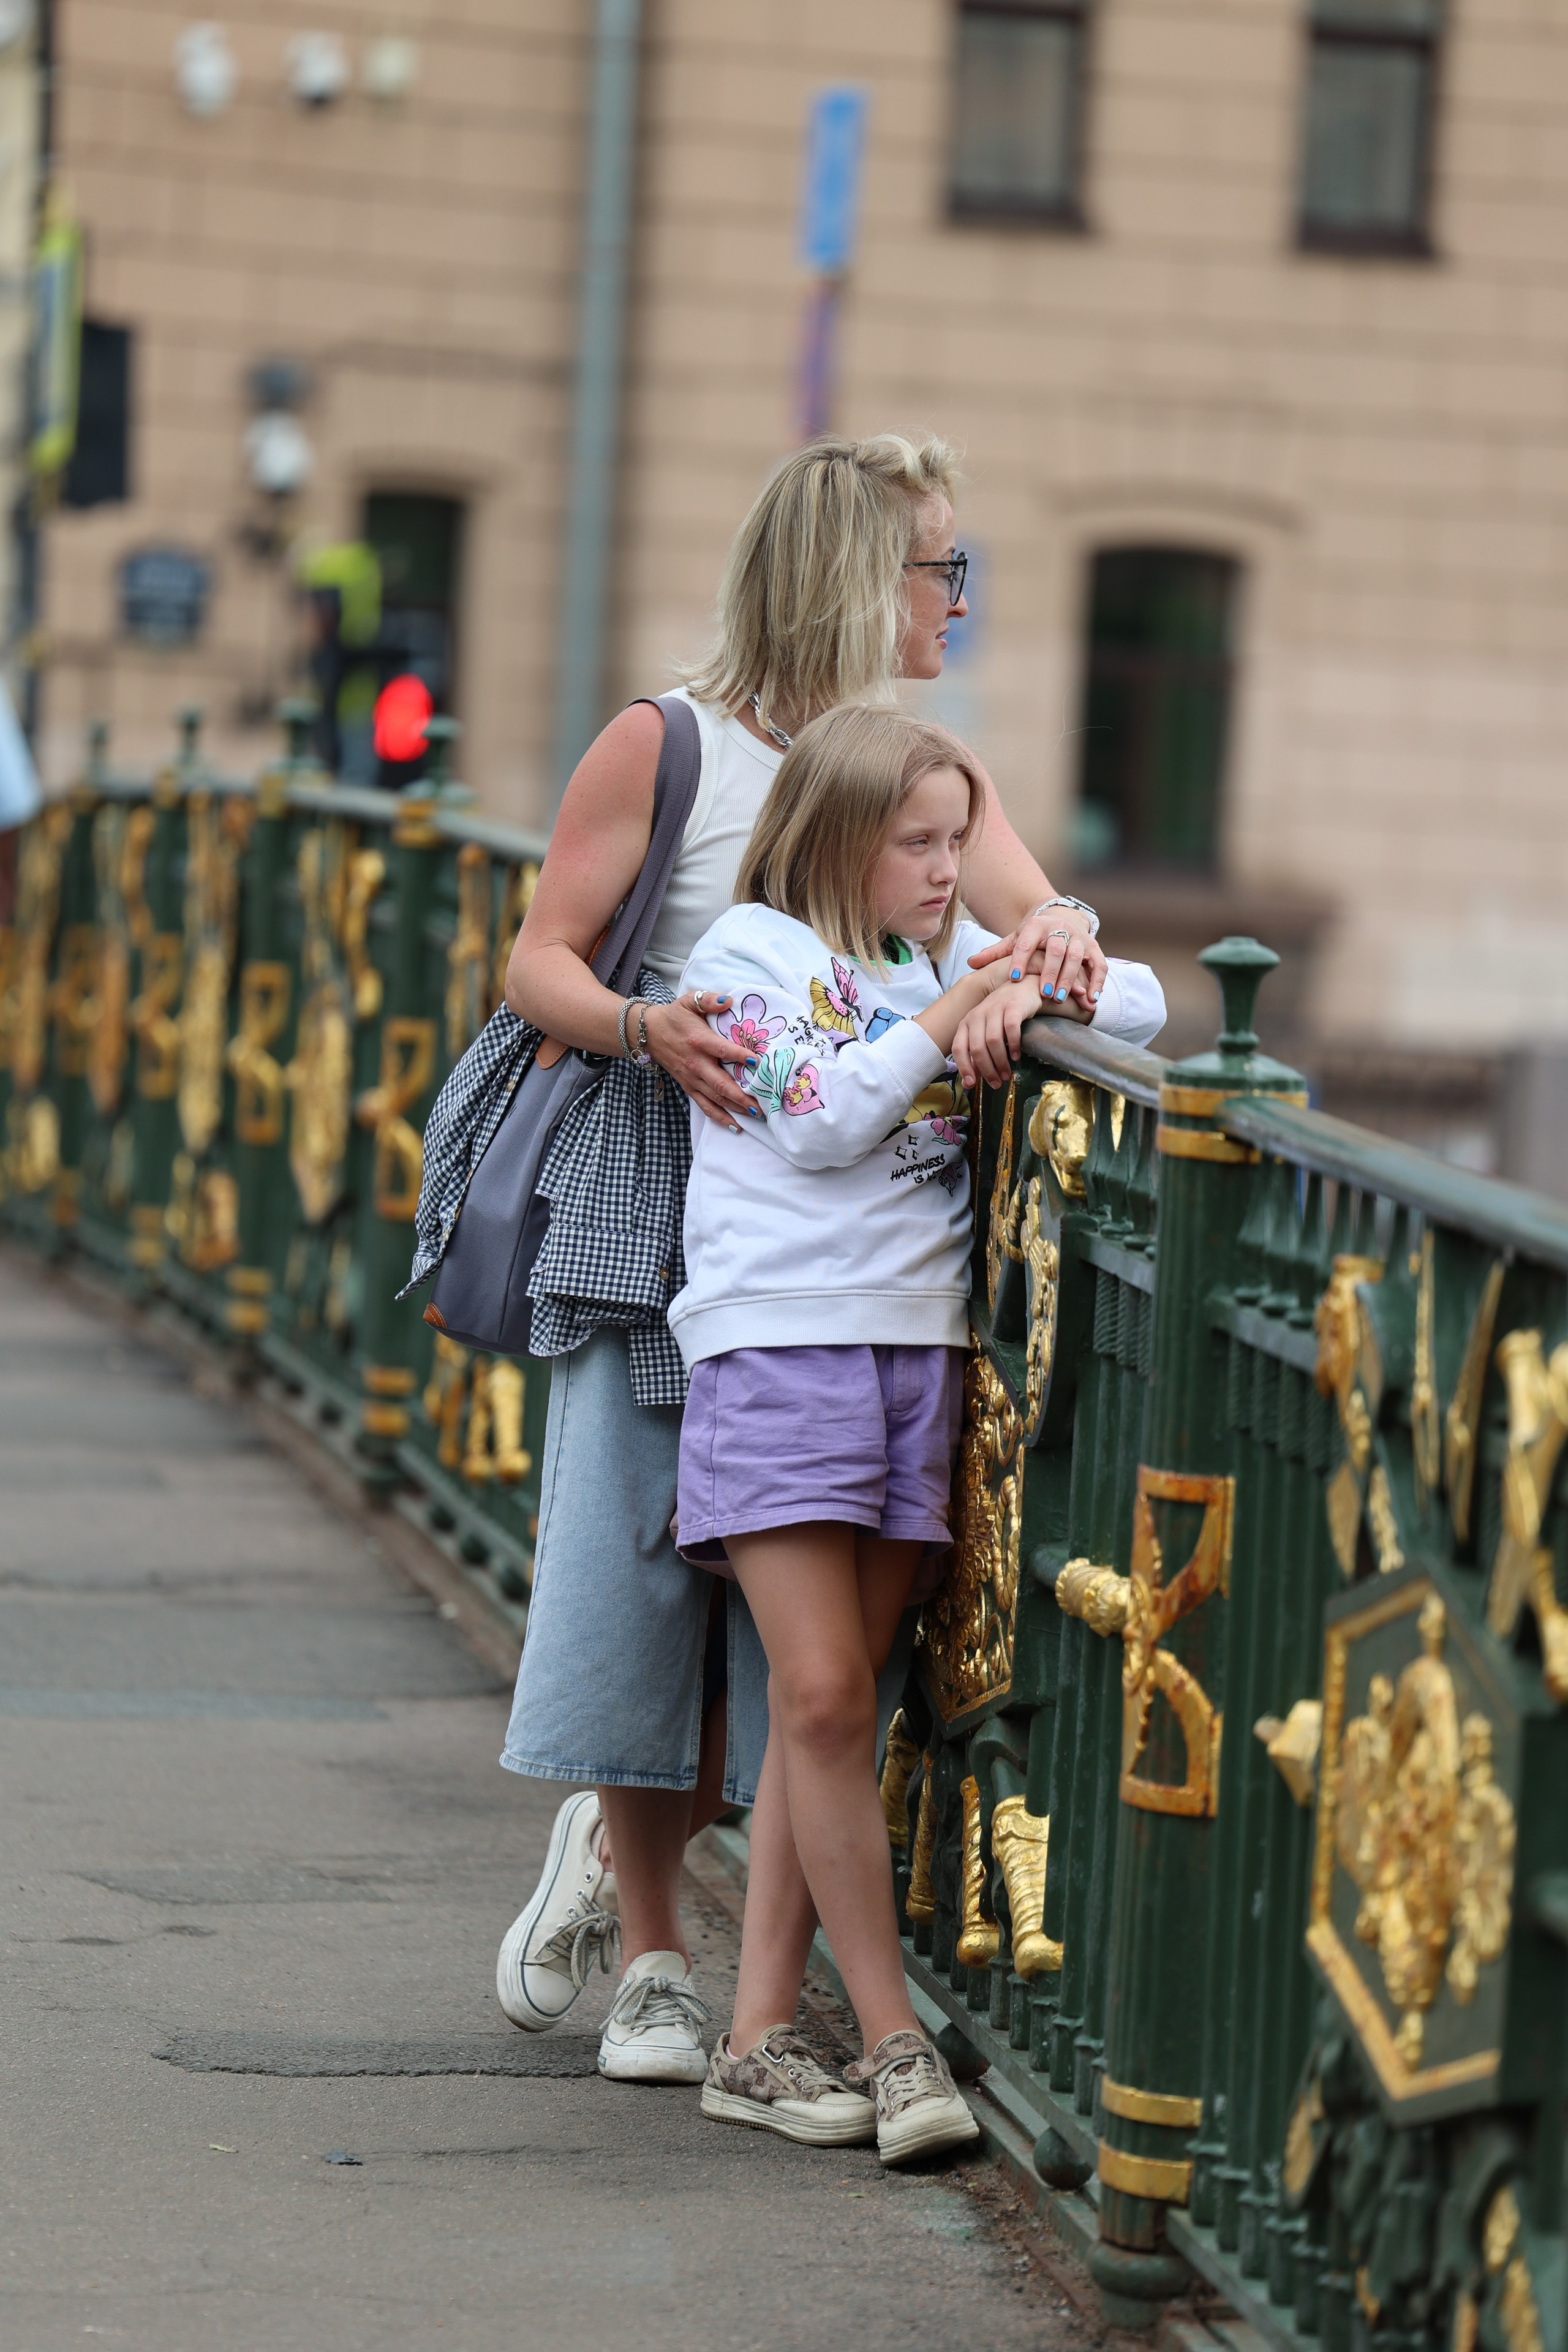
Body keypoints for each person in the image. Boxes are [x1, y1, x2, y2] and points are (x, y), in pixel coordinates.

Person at [496, 433, 1113, 2086]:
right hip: (669, 1193)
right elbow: (534, 960)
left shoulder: (914, 776)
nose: (959, 600)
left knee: (800, 1649)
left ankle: (759, 2005)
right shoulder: (671, 743)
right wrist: (642, 1025)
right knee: (639, 1582)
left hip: (848, 1224)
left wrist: (1056, 948)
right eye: (940, 570)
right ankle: (647, 1954)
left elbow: (1045, 943)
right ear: (855, 574)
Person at [667, 703, 1164, 2160]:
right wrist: (957, 1011)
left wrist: (1054, 951)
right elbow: (821, 1117)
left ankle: (754, 2038)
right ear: (838, 837)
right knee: (818, 1697)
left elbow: (1139, 1011)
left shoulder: (937, 953)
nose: (952, 873)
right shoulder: (748, 955)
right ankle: (891, 2043)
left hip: (917, 1357)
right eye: (921, 843)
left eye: (961, 840)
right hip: (777, 1347)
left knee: (846, 1707)